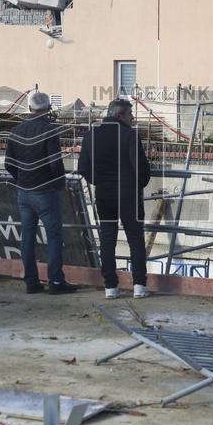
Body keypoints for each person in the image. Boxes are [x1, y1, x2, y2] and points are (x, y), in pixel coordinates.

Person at [4, 92, 78, 295]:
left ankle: (31, 282)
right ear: (47, 109)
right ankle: (56, 282)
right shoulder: (50, 130)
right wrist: (59, 184)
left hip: (24, 192)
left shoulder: (16, 130)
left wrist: (21, 179)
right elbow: (55, 164)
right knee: (54, 236)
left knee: (27, 237)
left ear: (29, 108)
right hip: (45, 192)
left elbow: (8, 164)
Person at [78, 98, 151, 299]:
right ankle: (139, 285)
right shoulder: (130, 135)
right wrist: (138, 185)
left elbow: (83, 167)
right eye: (130, 114)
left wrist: (99, 181)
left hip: (104, 194)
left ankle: (110, 286)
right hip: (128, 195)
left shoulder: (91, 136)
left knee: (107, 239)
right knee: (135, 239)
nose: (132, 118)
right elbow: (141, 168)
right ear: (120, 115)